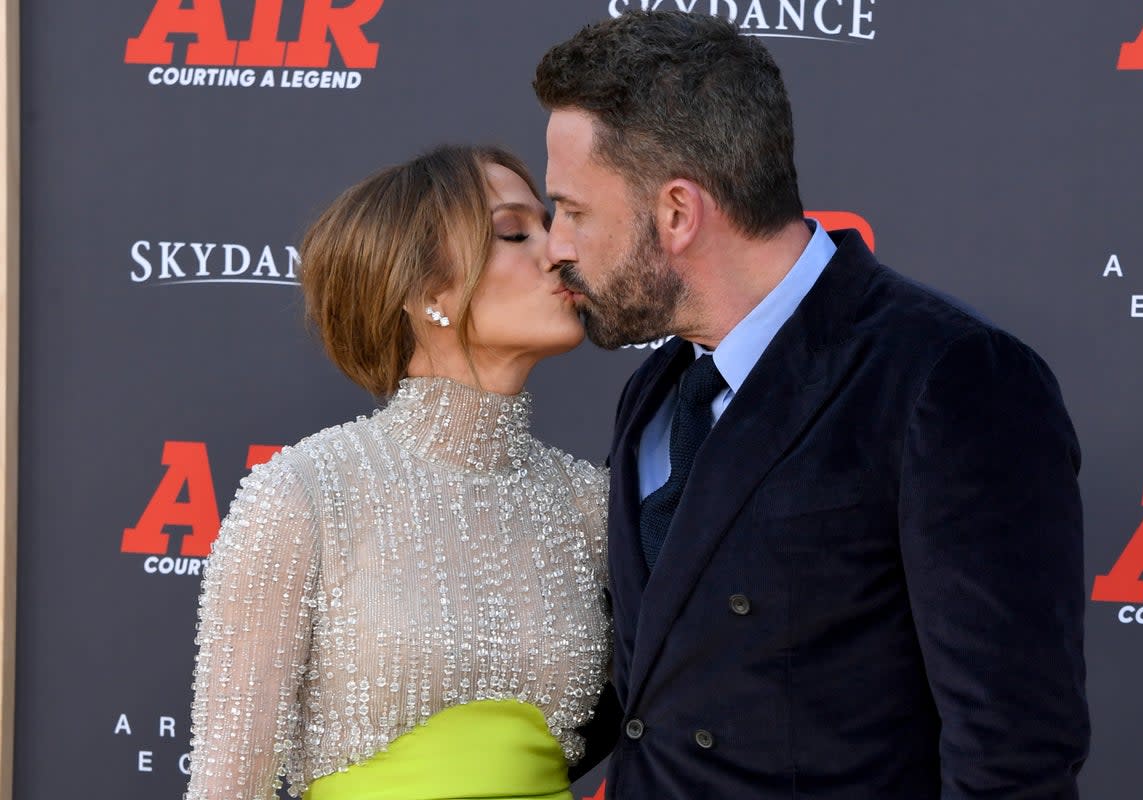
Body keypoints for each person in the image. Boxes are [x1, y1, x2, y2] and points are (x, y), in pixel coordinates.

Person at [534, 10, 1089, 799]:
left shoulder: (949, 380)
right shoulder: (659, 391)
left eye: (574, 210)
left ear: (678, 213)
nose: (557, 244)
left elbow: (1012, 754)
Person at [184, 145, 614, 800]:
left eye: (552, 223)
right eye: (513, 232)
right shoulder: (306, 494)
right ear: (426, 291)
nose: (559, 249)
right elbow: (228, 784)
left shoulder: (588, 503)